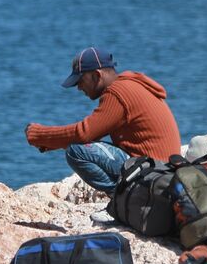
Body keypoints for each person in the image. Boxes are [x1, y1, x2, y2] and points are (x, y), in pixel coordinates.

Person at [25, 47, 181, 194]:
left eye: (80, 81)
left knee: (76, 152)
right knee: (80, 146)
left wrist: (39, 134)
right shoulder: (130, 85)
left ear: (97, 75)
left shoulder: (118, 93)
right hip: (164, 170)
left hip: (153, 173)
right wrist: (53, 143)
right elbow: (93, 133)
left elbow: (84, 133)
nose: (79, 88)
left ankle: (121, 199)